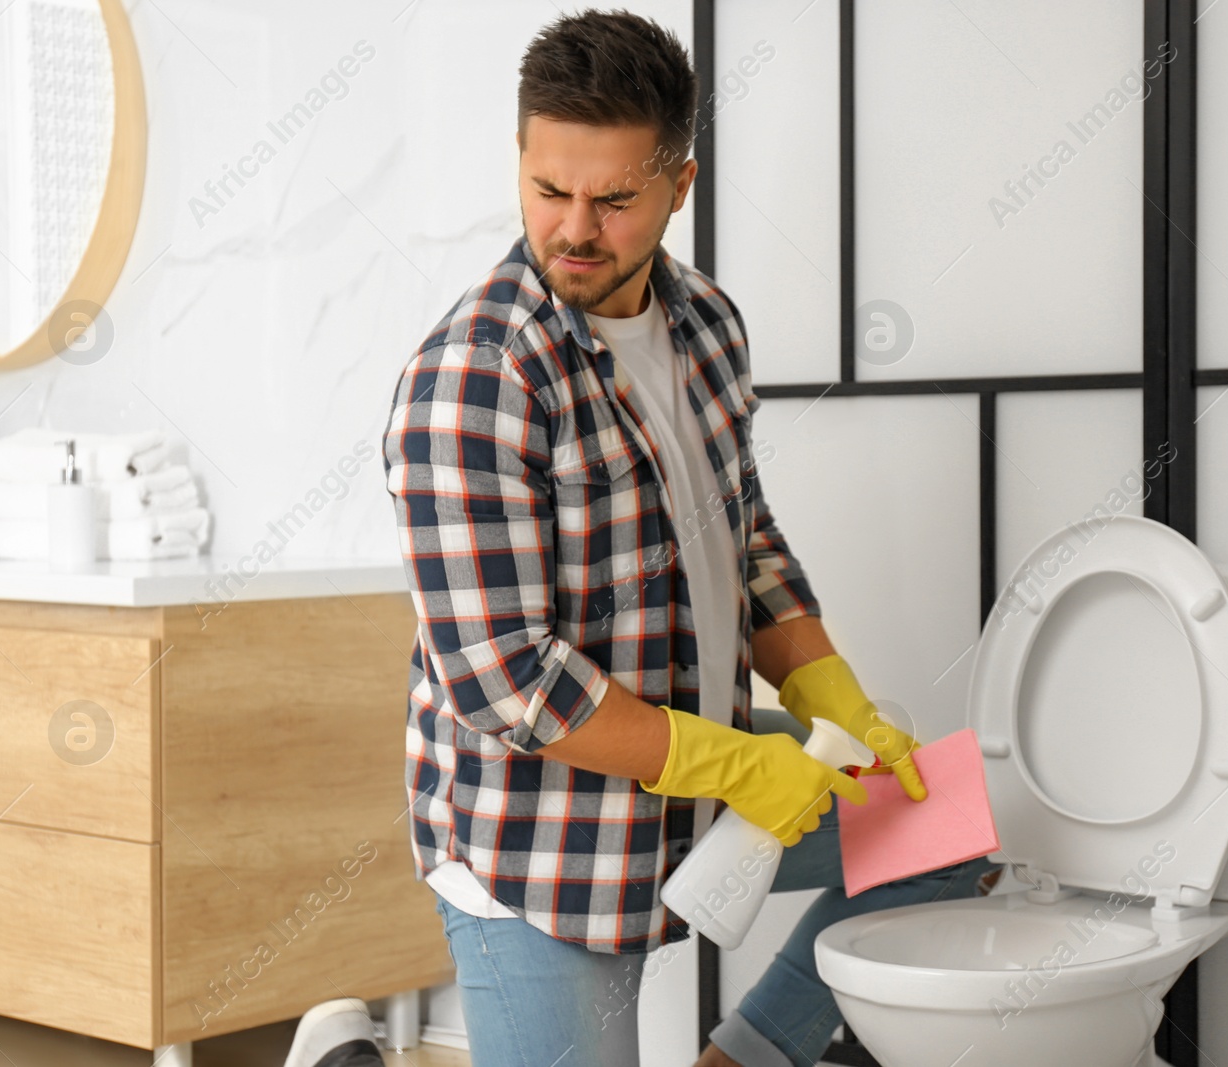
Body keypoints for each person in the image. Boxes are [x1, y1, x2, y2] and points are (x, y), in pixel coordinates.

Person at [284, 10, 995, 1067]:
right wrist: (737, 767)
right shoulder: (476, 380)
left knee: (944, 835)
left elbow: (744, 541)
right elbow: (508, 683)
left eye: (613, 200)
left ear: (679, 185)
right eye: (548, 189)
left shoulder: (707, 322)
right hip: (540, 838)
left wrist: (828, 695)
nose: (575, 227)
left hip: (695, 767)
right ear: (520, 161)